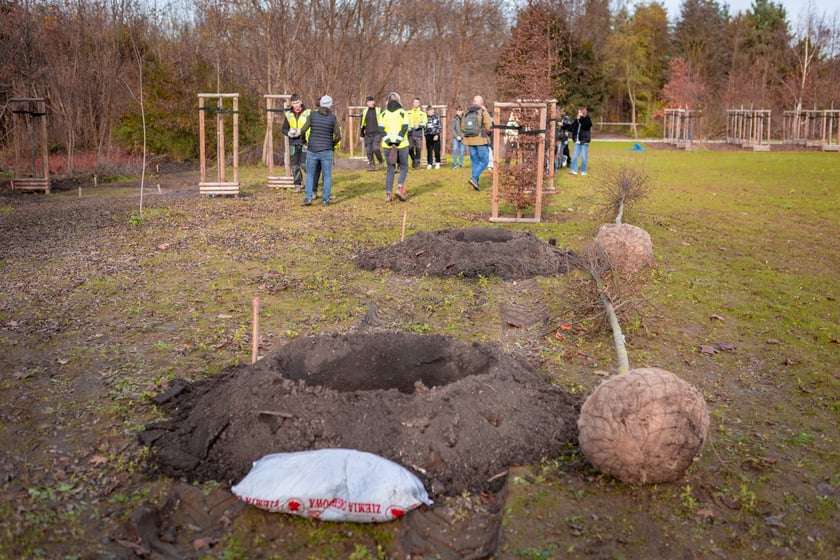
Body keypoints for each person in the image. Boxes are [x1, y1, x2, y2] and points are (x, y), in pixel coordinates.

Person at [300, 95, 341, 206]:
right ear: (330, 105)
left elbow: (303, 130)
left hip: (312, 149)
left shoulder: (312, 115)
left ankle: (308, 198)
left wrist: (304, 141)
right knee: (327, 175)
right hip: (327, 150)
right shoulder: (333, 118)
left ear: (320, 104)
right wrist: (331, 144)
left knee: (310, 174)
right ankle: (325, 199)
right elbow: (338, 136)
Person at [379, 92, 410, 202]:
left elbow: (381, 130)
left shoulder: (383, 114)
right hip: (402, 145)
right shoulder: (403, 113)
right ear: (398, 100)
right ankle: (399, 188)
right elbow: (404, 128)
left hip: (387, 146)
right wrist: (397, 142)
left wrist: (389, 142)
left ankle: (388, 194)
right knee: (404, 167)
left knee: (390, 169)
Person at [462, 95, 492, 191]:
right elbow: (488, 127)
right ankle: (474, 178)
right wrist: (487, 132)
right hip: (481, 140)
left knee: (475, 162)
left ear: (472, 102)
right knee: (484, 161)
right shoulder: (483, 112)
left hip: (469, 140)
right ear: (482, 103)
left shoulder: (466, 112)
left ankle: (476, 184)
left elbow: (463, 127)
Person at [282, 93, 310, 193]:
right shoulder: (288, 114)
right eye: (294, 103)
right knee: (294, 166)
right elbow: (284, 129)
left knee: (304, 165)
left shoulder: (308, 112)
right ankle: (297, 185)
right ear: (291, 104)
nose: (296, 105)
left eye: (297, 102)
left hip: (304, 143)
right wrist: (289, 133)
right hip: (293, 143)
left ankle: (309, 183)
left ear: (301, 101)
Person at [360, 95, 384, 171]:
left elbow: (383, 121)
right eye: (368, 102)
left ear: (373, 102)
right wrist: (361, 134)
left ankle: (381, 162)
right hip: (367, 134)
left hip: (377, 133)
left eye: (370, 101)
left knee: (376, 148)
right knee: (368, 151)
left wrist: (383, 132)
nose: (369, 103)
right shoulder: (364, 111)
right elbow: (362, 123)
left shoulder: (379, 110)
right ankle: (372, 165)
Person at [569, 107, 592, 176]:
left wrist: (581, 119)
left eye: (580, 112)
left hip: (584, 141)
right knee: (575, 156)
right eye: (578, 112)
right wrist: (563, 126)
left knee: (584, 157)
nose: (578, 114)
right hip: (577, 141)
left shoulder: (587, 119)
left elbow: (586, 126)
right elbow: (572, 127)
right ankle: (573, 170)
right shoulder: (577, 120)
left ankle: (584, 171)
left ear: (583, 112)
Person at [407, 97, 427, 169]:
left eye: (417, 102)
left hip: (418, 133)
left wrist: (419, 125)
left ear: (419, 104)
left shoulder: (422, 114)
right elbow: (405, 122)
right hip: (410, 133)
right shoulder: (408, 112)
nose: (415, 103)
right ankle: (414, 160)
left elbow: (425, 123)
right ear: (413, 103)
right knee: (410, 148)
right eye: (414, 102)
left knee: (418, 149)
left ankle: (417, 164)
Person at [424, 105, 442, 169]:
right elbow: (424, 126)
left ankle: (437, 162)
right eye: (428, 111)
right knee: (429, 150)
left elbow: (439, 126)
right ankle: (429, 163)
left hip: (435, 135)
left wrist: (437, 134)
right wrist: (426, 134)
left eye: (431, 111)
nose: (430, 112)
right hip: (428, 135)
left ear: (433, 110)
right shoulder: (425, 117)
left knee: (437, 150)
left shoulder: (437, 116)